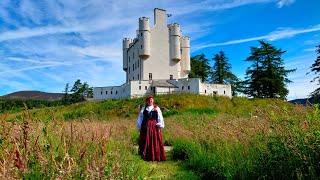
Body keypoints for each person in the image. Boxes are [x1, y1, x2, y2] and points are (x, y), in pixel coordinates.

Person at [136, 95, 166, 161]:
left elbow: (160, 117)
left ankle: (155, 156)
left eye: (151, 99)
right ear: (147, 101)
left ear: (153, 100)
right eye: (149, 100)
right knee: (145, 139)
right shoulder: (144, 108)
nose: (150, 101)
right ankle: (145, 155)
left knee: (154, 140)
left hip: (154, 127)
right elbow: (140, 118)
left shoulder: (156, 108)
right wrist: (139, 127)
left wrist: (159, 126)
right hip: (145, 126)